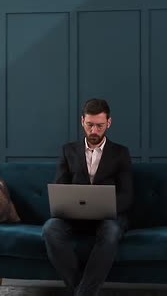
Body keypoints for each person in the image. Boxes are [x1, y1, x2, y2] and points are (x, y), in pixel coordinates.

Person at [42, 98, 133, 296]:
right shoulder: (68, 150)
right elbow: (60, 186)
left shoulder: (120, 153)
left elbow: (127, 195)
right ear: (82, 121)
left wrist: (107, 207)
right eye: (90, 125)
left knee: (110, 232)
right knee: (50, 229)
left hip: (108, 217)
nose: (94, 131)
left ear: (109, 123)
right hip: (74, 216)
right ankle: (83, 292)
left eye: (99, 126)